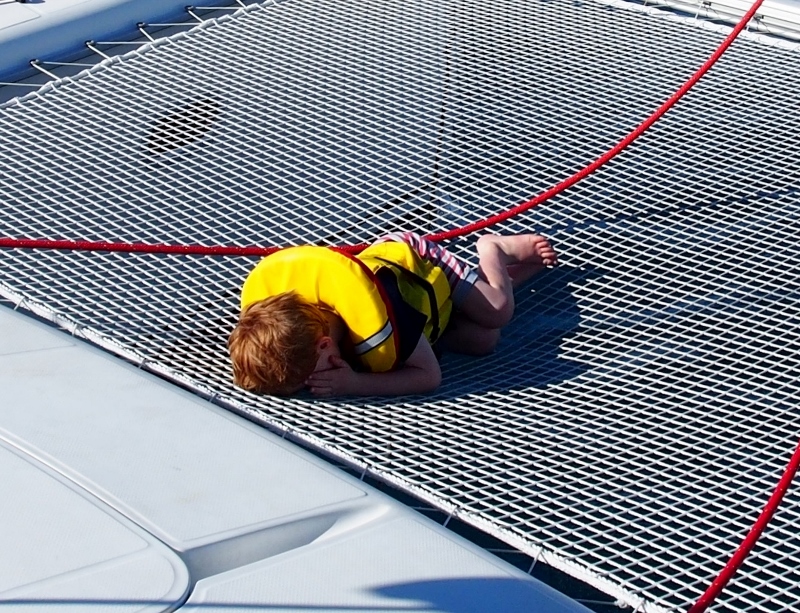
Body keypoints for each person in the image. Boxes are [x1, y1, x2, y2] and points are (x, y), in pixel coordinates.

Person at [228, 232, 557, 397]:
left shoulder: (382, 318)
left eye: (309, 379)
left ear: (325, 345)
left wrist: (356, 384)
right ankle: (508, 279)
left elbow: (429, 377)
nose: (312, 387)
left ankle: (494, 251)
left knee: (497, 311)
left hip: (423, 265)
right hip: (427, 314)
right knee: (485, 340)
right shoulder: (321, 338)